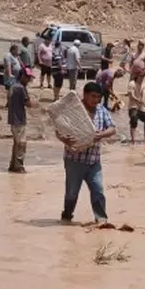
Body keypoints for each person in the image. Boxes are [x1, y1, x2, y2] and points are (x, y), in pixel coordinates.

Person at [58, 82, 116, 224]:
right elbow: (59, 130)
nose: (96, 100)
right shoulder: (74, 110)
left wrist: (102, 134)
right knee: (71, 193)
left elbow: (112, 128)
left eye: (98, 97)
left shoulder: (101, 110)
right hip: (74, 160)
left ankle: (101, 219)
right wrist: (64, 139)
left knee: (98, 190)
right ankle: (67, 215)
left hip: (94, 160)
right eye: (93, 96)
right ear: (85, 95)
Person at [7, 68, 35, 173]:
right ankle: (19, 166)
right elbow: (28, 104)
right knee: (21, 143)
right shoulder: (21, 88)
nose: (28, 80)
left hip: (12, 117)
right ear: (22, 76)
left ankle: (13, 165)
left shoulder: (13, 86)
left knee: (17, 143)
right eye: (27, 78)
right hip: (18, 118)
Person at [127, 69, 145, 144]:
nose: (142, 78)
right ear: (137, 76)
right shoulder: (131, 84)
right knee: (134, 119)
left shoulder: (144, 85)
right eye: (141, 76)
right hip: (133, 106)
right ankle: (133, 140)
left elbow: (144, 93)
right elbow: (131, 95)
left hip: (141, 107)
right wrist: (138, 100)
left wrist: (142, 99)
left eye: (143, 76)